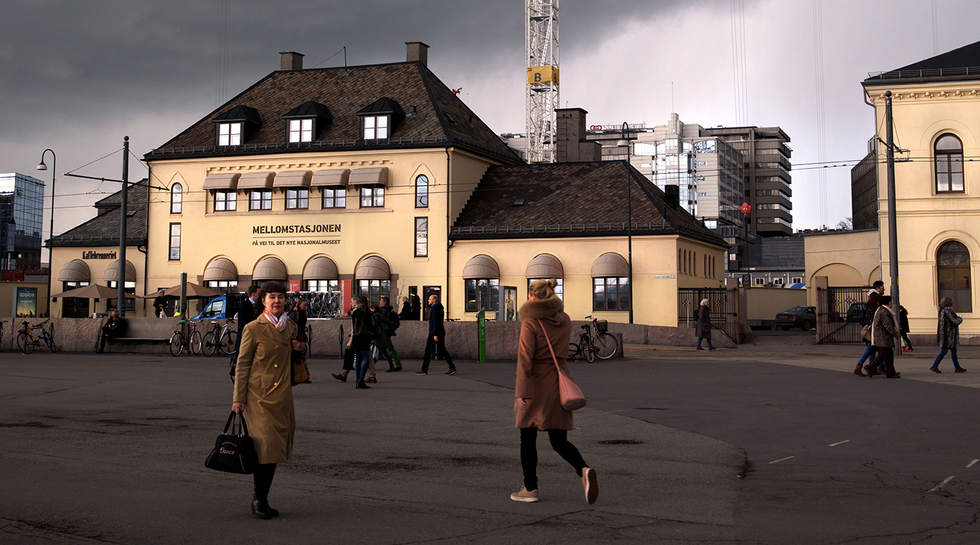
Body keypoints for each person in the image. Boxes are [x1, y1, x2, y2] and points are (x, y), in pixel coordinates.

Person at [510, 279, 597, 505]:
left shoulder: (531, 322)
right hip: (559, 381)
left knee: (527, 438)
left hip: (536, 382)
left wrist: (521, 391)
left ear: (533, 297)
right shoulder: (565, 319)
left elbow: (525, 359)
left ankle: (530, 488)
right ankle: (583, 469)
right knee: (558, 439)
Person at [231, 281, 306, 519]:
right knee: (265, 447)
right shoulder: (253, 328)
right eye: (272, 297)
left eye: (280, 297)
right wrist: (238, 398)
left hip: (282, 396)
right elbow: (242, 365)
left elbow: (299, 354)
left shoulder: (290, 326)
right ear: (263, 301)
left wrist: (301, 346)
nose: (277, 301)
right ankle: (258, 499)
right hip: (258, 397)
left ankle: (261, 497)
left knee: (273, 450)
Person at [416, 294, 457, 376]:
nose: (428, 300)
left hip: (434, 333)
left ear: (434, 300)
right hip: (438, 332)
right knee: (441, 350)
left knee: (429, 351)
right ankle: (451, 367)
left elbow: (435, 322)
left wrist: (435, 334)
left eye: (429, 299)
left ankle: (424, 369)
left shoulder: (434, 308)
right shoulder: (439, 307)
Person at [864, 295, 900, 378]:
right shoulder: (884, 312)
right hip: (883, 337)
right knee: (883, 354)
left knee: (889, 354)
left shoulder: (882, 310)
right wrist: (895, 334)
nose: (891, 304)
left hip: (883, 337)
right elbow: (888, 325)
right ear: (887, 303)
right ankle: (869, 367)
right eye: (890, 302)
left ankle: (890, 371)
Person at [231, 286, 260, 382]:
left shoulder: (255, 305)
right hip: (246, 338)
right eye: (258, 293)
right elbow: (243, 325)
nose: (259, 296)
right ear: (253, 294)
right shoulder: (245, 305)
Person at [932, 297, 967, 374]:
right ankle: (934, 366)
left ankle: (957, 367)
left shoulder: (941, 311)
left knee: (953, 351)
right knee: (944, 351)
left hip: (945, 335)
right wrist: (960, 319)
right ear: (948, 303)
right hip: (948, 336)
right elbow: (953, 322)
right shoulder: (947, 311)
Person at [349, 296, 374, 389]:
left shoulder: (355, 312)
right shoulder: (366, 312)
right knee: (367, 359)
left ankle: (357, 380)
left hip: (356, 338)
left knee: (358, 360)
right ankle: (361, 380)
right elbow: (369, 326)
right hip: (364, 338)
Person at [854, 292, 881, 376]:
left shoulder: (870, 307)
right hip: (871, 332)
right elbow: (870, 320)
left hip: (872, 332)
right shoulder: (872, 308)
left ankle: (871, 367)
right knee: (870, 350)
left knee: (872, 350)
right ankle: (860, 366)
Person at [378, 296, 403, 372]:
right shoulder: (387, 310)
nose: (379, 302)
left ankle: (397, 364)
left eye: (381, 301)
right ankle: (397, 364)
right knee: (388, 348)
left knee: (389, 348)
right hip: (387, 330)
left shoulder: (383, 310)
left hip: (384, 331)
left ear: (384, 302)